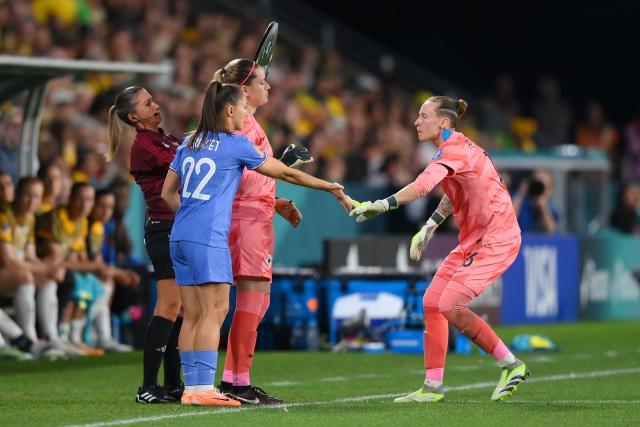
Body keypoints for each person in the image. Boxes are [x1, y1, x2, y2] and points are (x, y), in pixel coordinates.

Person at [161, 81, 349, 407]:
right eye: (244, 108)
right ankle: (205, 389)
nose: (248, 113)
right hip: (209, 237)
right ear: (230, 110)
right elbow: (286, 174)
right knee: (215, 311)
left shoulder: (189, 141)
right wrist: (329, 186)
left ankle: (192, 389)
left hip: (180, 234)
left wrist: (190, 217)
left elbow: (167, 193)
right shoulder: (235, 144)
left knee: (190, 314)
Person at [350, 96, 529, 403]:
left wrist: (381, 205)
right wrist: (430, 226)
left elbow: (423, 186)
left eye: (423, 116)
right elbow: (451, 192)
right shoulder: (456, 148)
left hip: (497, 238)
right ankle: (433, 387)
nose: (416, 122)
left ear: (443, 122)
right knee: (433, 302)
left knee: (450, 305)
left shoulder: (454, 150)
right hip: (474, 239)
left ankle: (511, 364)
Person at [211, 58, 312, 405]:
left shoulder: (251, 123)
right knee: (251, 301)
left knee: (259, 301)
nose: (268, 87)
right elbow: (240, 176)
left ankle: (235, 379)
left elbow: (253, 176)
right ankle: (235, 382)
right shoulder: (239, 126)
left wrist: (277, 201)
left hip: (257, 216)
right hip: (245, 219)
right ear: (243, 89)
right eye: (262, 81)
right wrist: (285, 169)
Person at [105, 86, 183, 403]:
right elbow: (184, 167)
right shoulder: (144, 147)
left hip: (179, 226)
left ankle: (173, 385)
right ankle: (148, 387)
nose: (156, 104)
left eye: (153, 99)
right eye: (147, 103)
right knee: (168, 306)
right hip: (164, 228)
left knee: (179, 309)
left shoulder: (164, 138)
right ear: (134, 116)